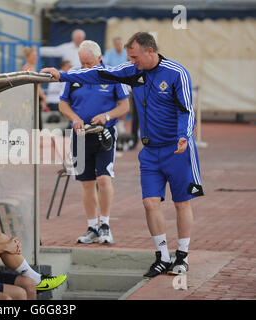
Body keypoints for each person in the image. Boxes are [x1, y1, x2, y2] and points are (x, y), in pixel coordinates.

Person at [41, 32, 204, 278]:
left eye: (134, 56)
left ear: (151, 51)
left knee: (181, 203)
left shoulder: (176, 73)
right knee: (150, 203)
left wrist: (184, 134)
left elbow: (187, 109)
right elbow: (97, 73)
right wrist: (62, 74)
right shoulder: (132, 70)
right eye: (129, 56)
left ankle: (182, 256)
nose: (131, 60)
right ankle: (162, 256)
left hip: (177, 148)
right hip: (150, 151)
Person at [59, 40, 129, 244]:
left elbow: (124, 106)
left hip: (104, 134)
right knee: (86, 183)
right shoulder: (74, 74)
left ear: (100, 58)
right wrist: (74, 118)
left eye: (90, 63)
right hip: (80, 136)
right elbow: (63, 104)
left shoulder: (113, 75)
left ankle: (105, 224)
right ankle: (91, 227)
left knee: (104, 179)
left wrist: (106, 116)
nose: (86, 68)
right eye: (83, 63)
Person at [22, 46, 48, 129]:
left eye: (36, 56)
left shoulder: (30, 68)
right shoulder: (28, 69)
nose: (36, 58)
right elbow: (37, 86)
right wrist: (44, 97)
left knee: (36, 123)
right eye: (33, 56)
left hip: (33, 97)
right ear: (27, 57)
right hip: (32, 98)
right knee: (36, 124)